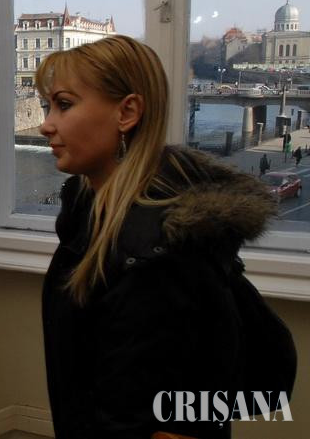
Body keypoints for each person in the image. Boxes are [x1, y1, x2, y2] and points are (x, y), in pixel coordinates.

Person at [35, 35, 277, 439]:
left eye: (64, 104)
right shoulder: (94, 217)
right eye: (48, 106)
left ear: (127, 112)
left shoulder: (156, 256)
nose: (46, 125)